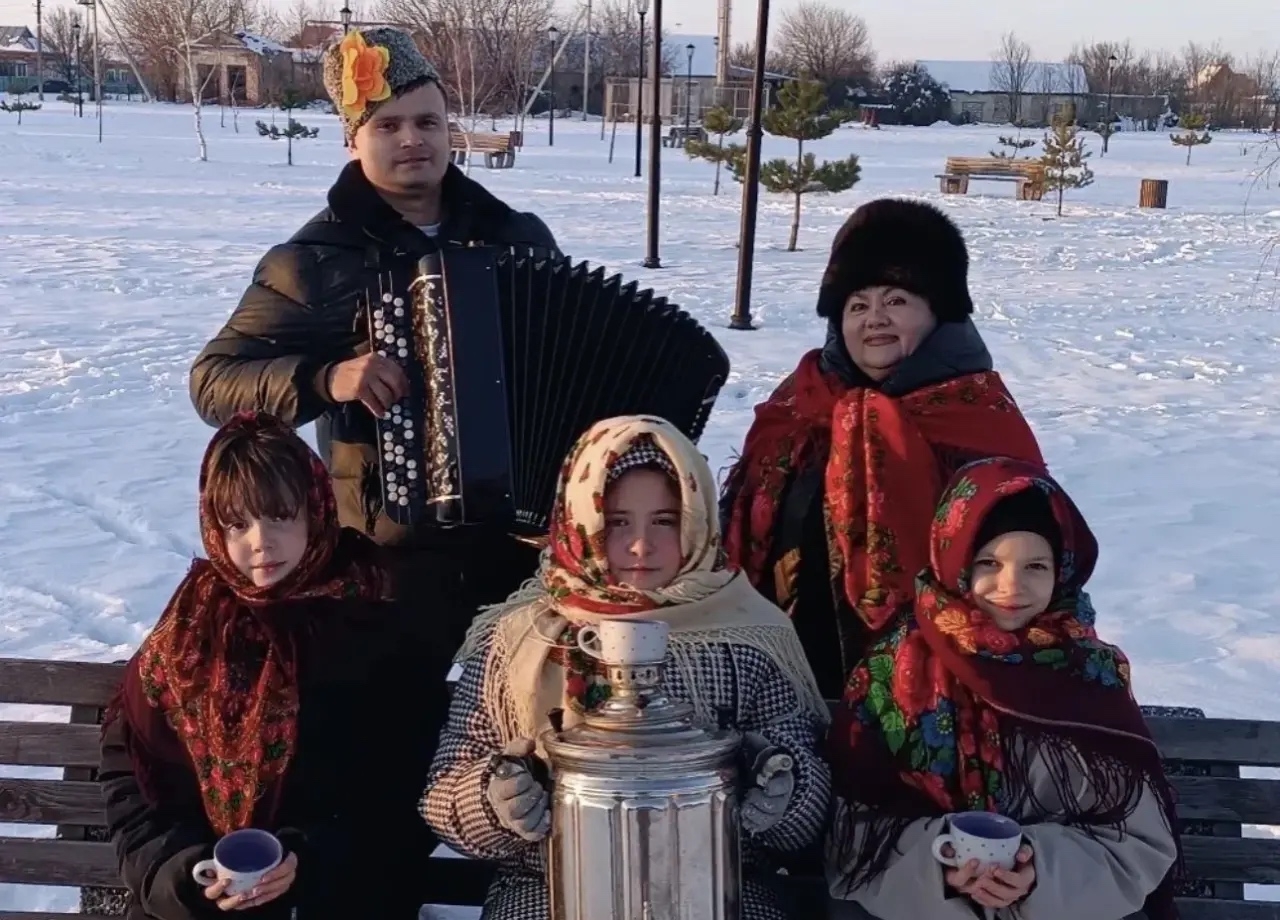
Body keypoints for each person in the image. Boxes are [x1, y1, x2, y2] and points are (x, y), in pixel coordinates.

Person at [188, 28, 559, 653]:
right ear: (352, 137)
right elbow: (213, 381)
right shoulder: (312, 262)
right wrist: (325, 379)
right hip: (385, 563)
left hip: (525, 551)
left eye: (428, 122)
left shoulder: (518, 238)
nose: (413, 139)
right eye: (388, 125)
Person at [423, 415, 832, 920]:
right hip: (547, 887)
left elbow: (806, 791)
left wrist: (785, 791)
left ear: (698, 520)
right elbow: (445, 789)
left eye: (665, 521)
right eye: (617, 522)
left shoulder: (747, 635)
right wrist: (493, 800)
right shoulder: (520, 639)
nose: (641, 545)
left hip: (720, 883)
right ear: (580, 520)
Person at [98, 412, 446, 920]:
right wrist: (183, 874)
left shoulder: (374, 615)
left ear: (315, 509)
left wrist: (309, 860)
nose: (261, 541)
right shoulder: (192, 625)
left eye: (280, 516)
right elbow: (133, 782)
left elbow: (408, 792)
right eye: (238, 524)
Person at [825, 457, 1180, 920]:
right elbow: (851, 837)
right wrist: (940, 869)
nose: (1012, 585)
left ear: (1061, 571)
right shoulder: (893, 672)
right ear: (955, 563)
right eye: (989, 563)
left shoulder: (1089, 674)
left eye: (1035, 566)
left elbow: (1136, 842)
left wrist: (1040, 873)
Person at [720, 198, 1046, 698]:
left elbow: (1028, 568)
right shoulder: (798, 406)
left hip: (935, 697)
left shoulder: (978, 415)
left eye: (896, 301)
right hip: (782, 686)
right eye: (857, 305)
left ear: (938, 312)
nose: (874, 319)